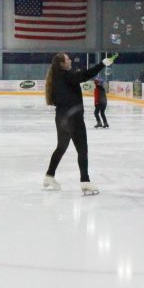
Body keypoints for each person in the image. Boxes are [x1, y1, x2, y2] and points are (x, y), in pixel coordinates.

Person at [42, 52, 113, 196]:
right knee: (82, 150)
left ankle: (49, 176)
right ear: (62, 64)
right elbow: (85, 75)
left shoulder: (55, 77)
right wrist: (102, 64)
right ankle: (85, 181)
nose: (70, 61)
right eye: (68, 59)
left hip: (61, 118)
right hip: (73, 119)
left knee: (61, 147)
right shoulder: (66, 76)